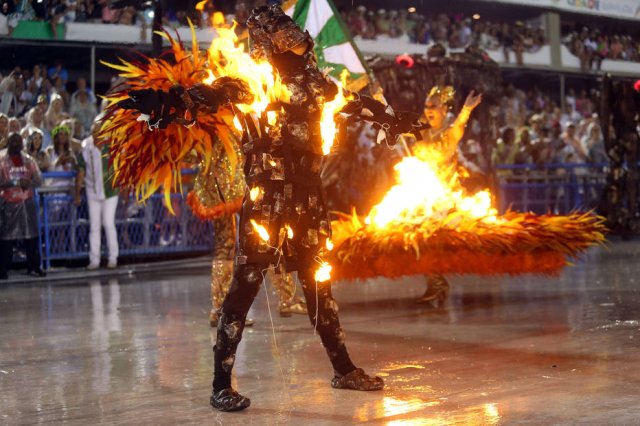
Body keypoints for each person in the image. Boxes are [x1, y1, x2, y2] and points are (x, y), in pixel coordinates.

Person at [113, 5, 420, 412]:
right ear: (267, 41)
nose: (296, 40)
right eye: (284, 34)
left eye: (295, 34)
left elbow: (352, 102)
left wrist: (391, 118)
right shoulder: (251, 81)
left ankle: (344, 370)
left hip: (309, 198)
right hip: (266, 200)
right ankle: (221, 383)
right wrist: (169, 102)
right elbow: (209, 95)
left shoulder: (317, 82)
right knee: (244, 287)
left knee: (319, 285)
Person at [188, 140, 307, 327]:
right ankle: (221, 309)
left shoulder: (224, 118)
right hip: (225, 188)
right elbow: (191, 154)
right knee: (234, 244)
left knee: (268, 237)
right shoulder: (208, 120)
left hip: (239, 182)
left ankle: (287, 298)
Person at [414, 85, 482, 304]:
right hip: (424, 196)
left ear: (444, 109)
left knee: (428, 236)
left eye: (433, 106)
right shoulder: (422, 131)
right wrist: (378, 96)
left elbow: (459, 125)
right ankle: (435, 282)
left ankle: (437, 281)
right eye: (426, 106)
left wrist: (467, 110)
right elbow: (392, 122)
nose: (428, 110)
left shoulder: (449, 134)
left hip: (446, 199)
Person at [0, 132, 45, 279]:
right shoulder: (1, 159)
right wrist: (15, 183)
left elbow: (39, 180)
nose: (16, 144)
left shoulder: (29, 160)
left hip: (27, 203)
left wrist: (29, 183)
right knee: (7, 239)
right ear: (8, 142)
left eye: (18, 141)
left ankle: (34, 267)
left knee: (31, 237)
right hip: (9, 204)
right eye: (13, 141)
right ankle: (3, 269)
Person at [75, 119, 119, 269]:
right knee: (94, 226)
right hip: (92, 192)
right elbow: (80, 170)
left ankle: (113, 258)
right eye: (94, 132)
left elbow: (120, 166)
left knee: (108, 223)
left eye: (98, 132)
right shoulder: (86, 146)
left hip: (110, 191)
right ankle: (94, 260)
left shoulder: (112, 144)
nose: (96, 135)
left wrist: (124, 186)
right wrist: (77, 194)